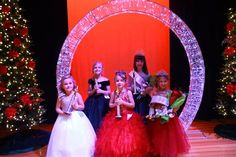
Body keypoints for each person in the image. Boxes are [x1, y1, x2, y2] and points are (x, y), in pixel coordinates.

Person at [95, 70, 151, 157]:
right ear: (114, 82)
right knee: (113, 137)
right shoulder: (113, 93)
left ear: (125, 82)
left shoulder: (128, 92)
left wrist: (123, 103)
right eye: (117, 81)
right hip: (115, 116)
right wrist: (115, 104)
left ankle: (127, 153)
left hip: (127, 117)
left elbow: (132, 105)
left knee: (127, 137)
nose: (119, 82)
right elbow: (110, 104)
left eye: (121, 80)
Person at [46, 75, 96, 157]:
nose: (68, 85)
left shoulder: (77, 95)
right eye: (66, 84)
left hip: (76, 118)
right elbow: (57, 108)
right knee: (64, 138)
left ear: (73, 84)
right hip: (64, 119)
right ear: (62, 86)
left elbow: (82, 106)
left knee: (77, 136)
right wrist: (62, 113)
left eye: (70, 83)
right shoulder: (61, 97)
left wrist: (77, 107)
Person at [146, 70, 190, 157]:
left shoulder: (170, 93)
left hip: (168, 119)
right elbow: (152, 105)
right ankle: (158, 150)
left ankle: (168, 150)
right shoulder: (155, 93)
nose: (163, 83)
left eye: (165, 81)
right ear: (157, 82)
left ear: (168, 81)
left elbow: (175, 106)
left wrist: (172, 111)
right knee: (158, 136)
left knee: (168, 136)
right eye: (160, 81)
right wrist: (151, 114)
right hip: (157, 118)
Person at [84, 61, 111, 132]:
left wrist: (102, 91)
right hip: (93, 101)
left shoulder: (106, 80)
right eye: (95, 67)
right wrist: (94, 89)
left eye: (99, 67)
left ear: (102, 69)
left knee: (101, 112)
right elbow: (89, 93)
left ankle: (102, 131)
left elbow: (109, 92)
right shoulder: (91, 80)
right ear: (93, 69)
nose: (97, 69)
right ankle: (93, 131)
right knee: (92, 115)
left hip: (103, 100)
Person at [128, 52, 152, 119]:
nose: (139, 63)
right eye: (137, 61)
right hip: (135, 98)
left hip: (145, 98)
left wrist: (146, 90)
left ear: (144, 62)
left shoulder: (147, 74)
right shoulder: (131, 74)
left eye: (141, 61)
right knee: (136, 116)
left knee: (144, 116)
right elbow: (128, 87)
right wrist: (132, 87)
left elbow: (151, 87)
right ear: (135, 62)